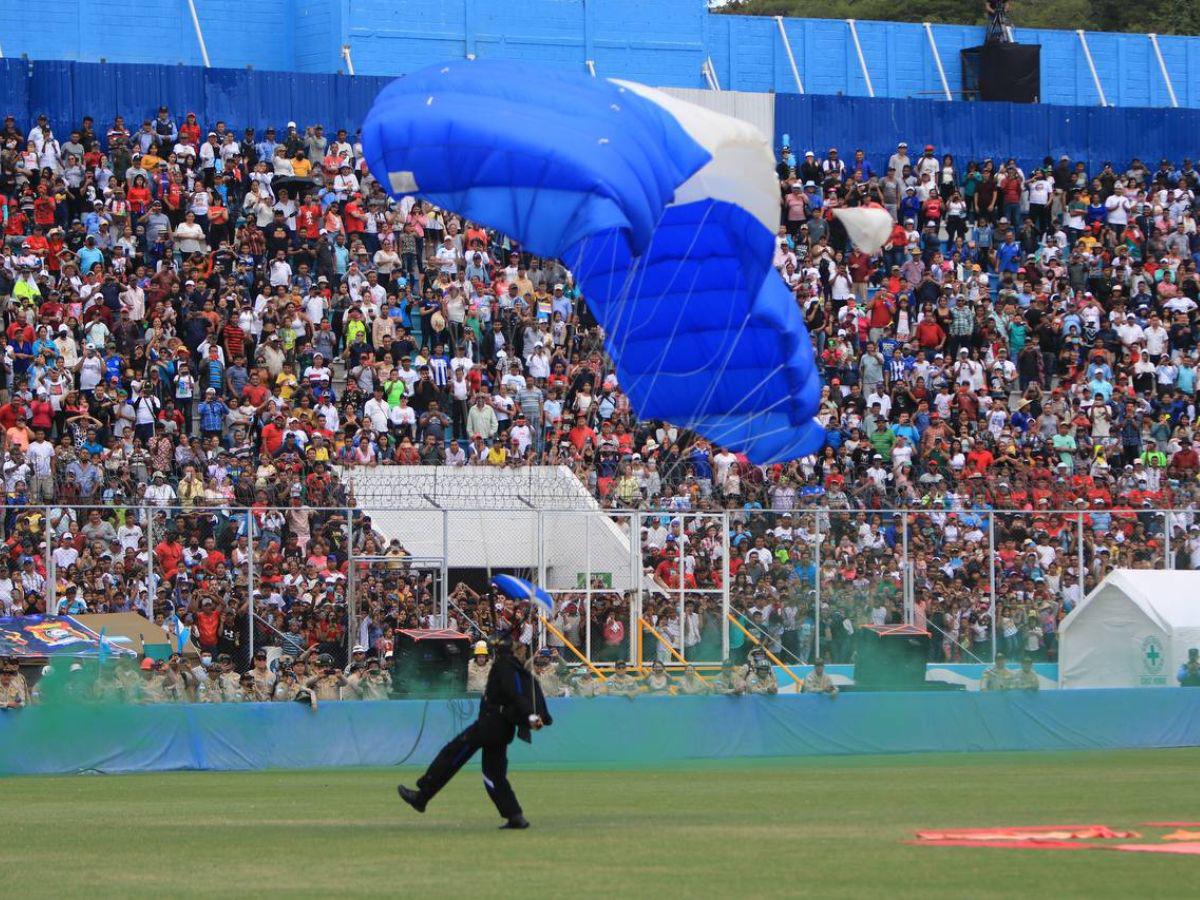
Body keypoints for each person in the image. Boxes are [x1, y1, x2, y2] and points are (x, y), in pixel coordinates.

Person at [397, 629, 552, 829]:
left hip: (491, 725)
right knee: (493, 774)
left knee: (453, 753)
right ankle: (514, 815)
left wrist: (530, 715)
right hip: (500, 728)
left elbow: (515, 694)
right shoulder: (512, 666)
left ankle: (422, 795)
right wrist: (531, 715)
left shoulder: (504, 667)